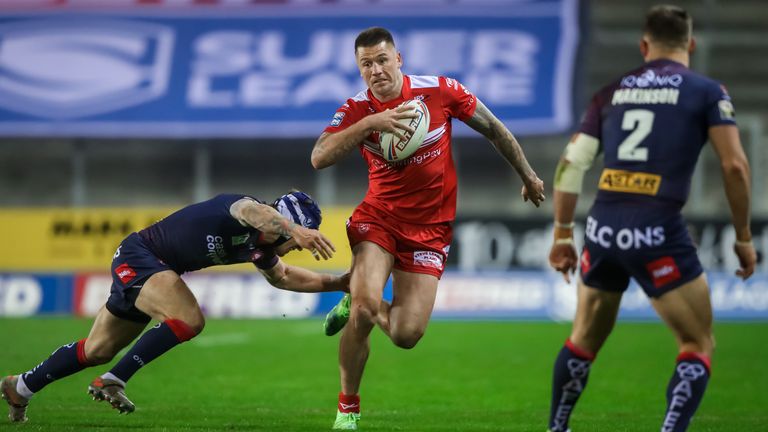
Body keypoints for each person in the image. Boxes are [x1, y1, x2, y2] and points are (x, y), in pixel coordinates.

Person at [311, 27, 546, 430]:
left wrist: (527, 175)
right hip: (378, 218)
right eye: (366, 64)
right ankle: (347, 408)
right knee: (367, 307)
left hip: (430, 228)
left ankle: (351, 292)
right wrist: (371, 123)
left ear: (398, 59)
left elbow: (494, 128)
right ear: (359, 69)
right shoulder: (355, 109)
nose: (376, 70)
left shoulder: (439, 91)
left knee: (405, 334)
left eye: (382, 60)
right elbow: (319, 157)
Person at [546, 5, 756, 432]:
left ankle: (557, 427)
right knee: (697, 343)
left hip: (603, 228)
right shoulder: (706, 91)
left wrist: (563, 235)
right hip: (658, 229)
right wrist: (744, 236)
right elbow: (735, 166)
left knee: (583, 340)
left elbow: (570, 165)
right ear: (690, 45)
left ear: (644, 45)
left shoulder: (610, 92)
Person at [1, 191, 348, 423]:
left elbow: (283, 278)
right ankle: (114, 380)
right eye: (306, 235)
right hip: (141, 257)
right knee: (190, 319)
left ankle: (20, 387)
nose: (305, 243)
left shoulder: (261, 248)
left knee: (97, 349)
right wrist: (293, 228)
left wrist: (340, 283)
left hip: (150, 269)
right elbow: (252, 211)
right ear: (286, 223)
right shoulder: (244, 210)